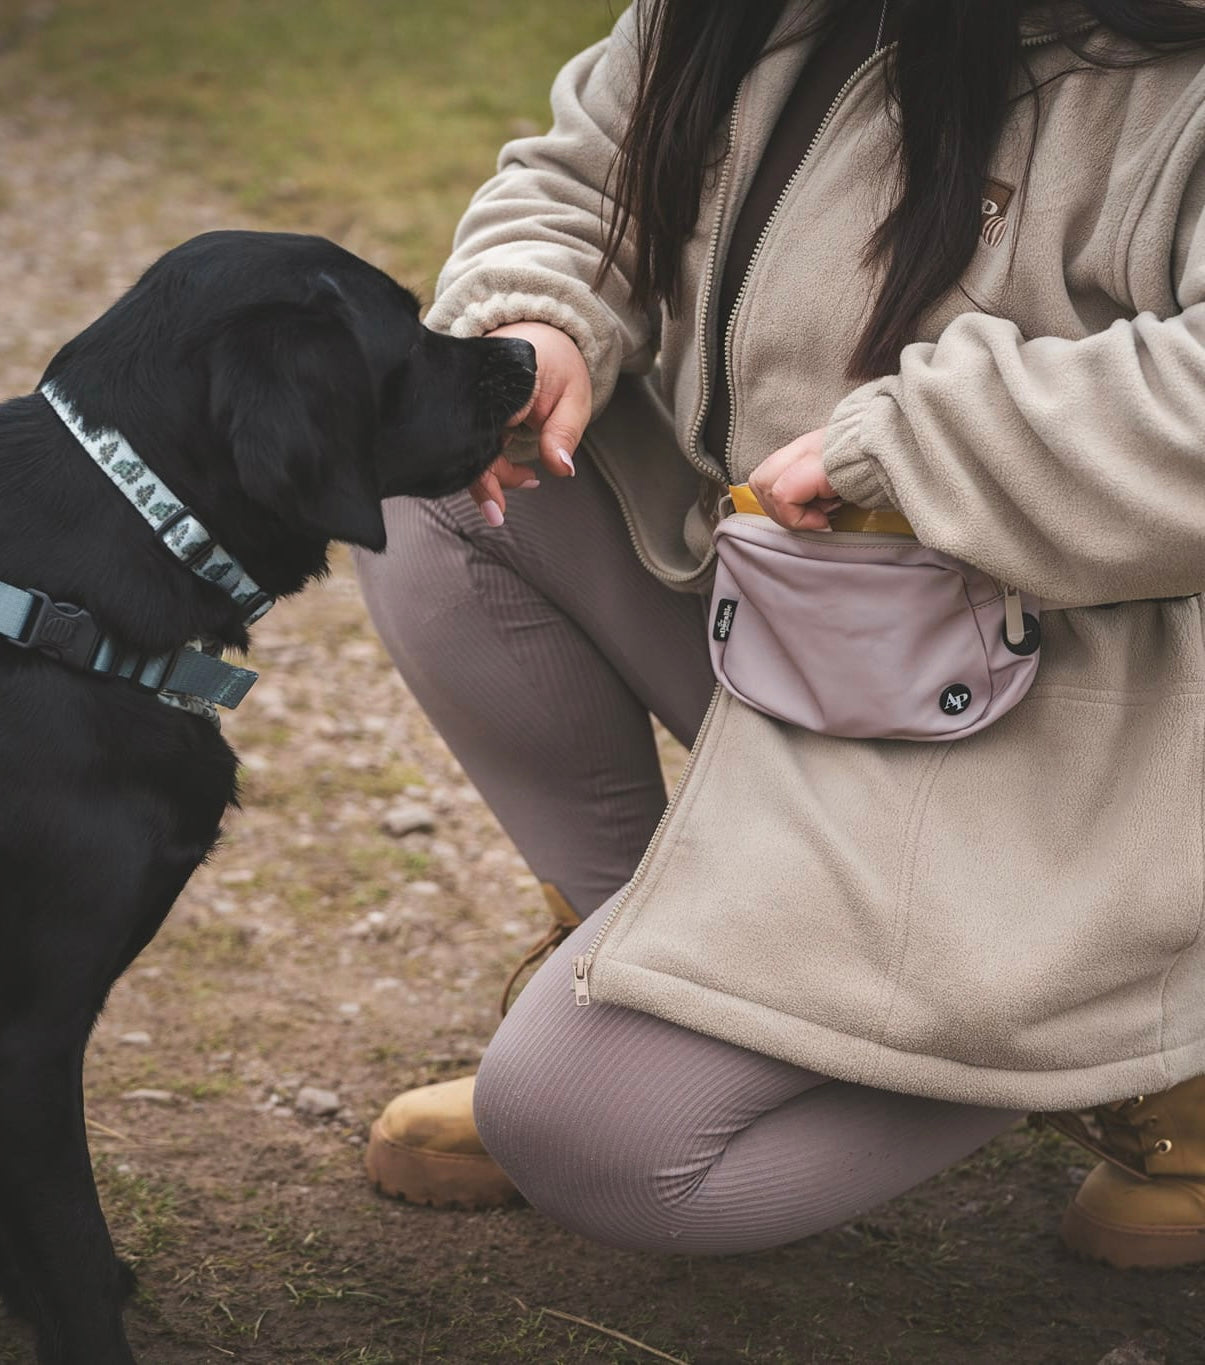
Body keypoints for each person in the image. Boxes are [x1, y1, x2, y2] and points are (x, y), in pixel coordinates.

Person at [353, 0, 1205, 1269]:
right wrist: (533, 325)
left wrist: (910, 448)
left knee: (586, 1138)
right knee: (440, 466)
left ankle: (1122, 1024)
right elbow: (589, 181)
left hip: (1062, 702)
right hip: (814, 617)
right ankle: (638, 973)